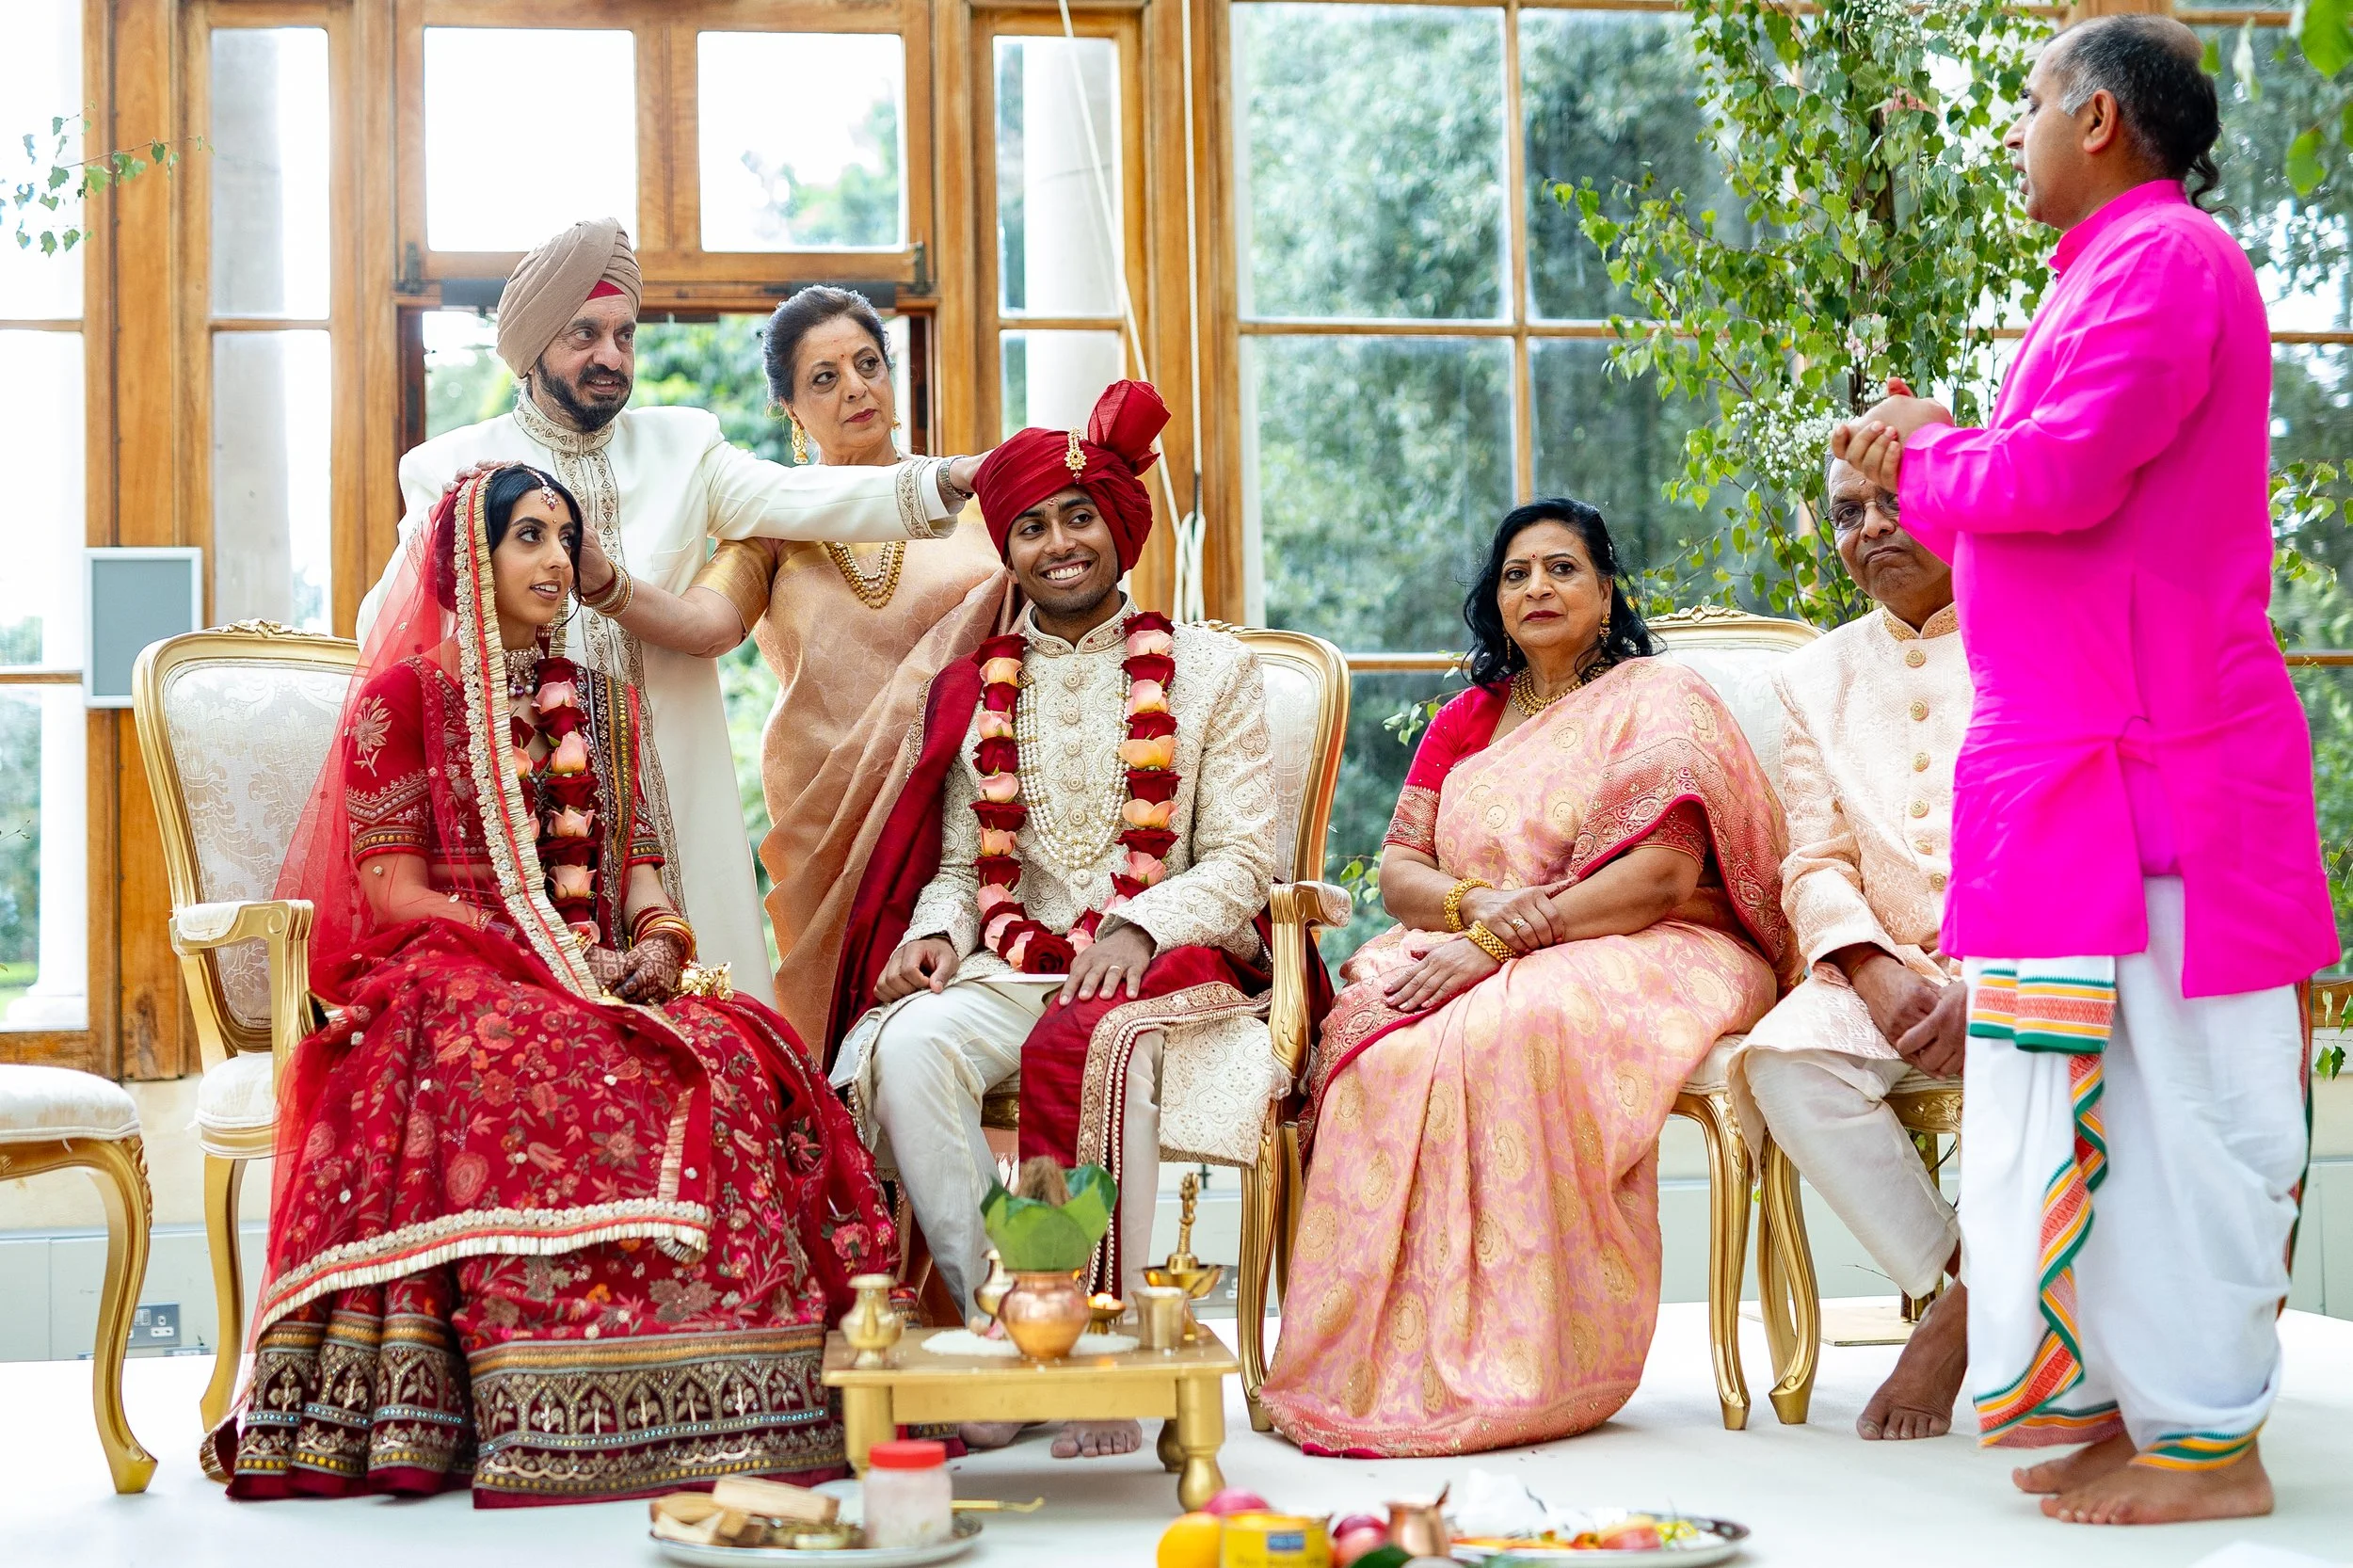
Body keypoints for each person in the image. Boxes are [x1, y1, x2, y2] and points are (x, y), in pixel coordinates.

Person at [1833, 14, 2334, 1525]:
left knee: (2188, 1112)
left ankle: (2215, 1443)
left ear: (2102, 117)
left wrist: (1913, 458)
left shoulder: (2169, 262)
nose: (2017, 127)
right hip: (2081, 781)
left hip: (2162, 771)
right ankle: (2145, 1410)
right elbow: (2052, 463)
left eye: (2036, 100)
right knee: (2093, 1108)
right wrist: (1942, 436)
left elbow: (2058, 473)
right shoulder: (2112, 272)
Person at [207, 465, 896, 1505]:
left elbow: (641, 876)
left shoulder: (606, 706)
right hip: (449, 963)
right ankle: (518, 1391)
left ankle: (742, 1392)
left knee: (735, 1049)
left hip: (594, 959)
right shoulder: (404, 697)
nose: (553, 560)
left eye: (564, 539)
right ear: (467, 560)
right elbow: (391, 893)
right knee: (536, 1049)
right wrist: (528, 944)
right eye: (528, 536)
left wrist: (659, 943)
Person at [1257, 499, 1793, 1458]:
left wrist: (1510, 940)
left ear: (1604, 588)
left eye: (1560, 568)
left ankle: (1528, 1359)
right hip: (1485, 931)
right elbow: (1397, 871)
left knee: (1506, 1031)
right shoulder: (1471, 715)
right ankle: (1373, 1363)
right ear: (1493, 600)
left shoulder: (1655, 699)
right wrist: (1474, 911)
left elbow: (1664, 876)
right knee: (1379, 1048)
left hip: (1651, 941)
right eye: (1515, 574)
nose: (1537, 588)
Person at [828, 380, 1279, 1461]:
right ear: (1009, 551)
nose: (1059, 543)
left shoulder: (1214, 672)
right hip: (1011, 961)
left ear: (1119, 525)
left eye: (1079, 515)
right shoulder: (976, 688)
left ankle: (1089, 1350)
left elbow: (1244, 859)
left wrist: (1143, 925)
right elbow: (952, 866)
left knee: (1105, 1044)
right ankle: (1013, 1316)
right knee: (913, 1044)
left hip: (1162, 968)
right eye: (1030, 526)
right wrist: (938, 933)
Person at [358, 220, 987, 990]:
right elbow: (385, 632)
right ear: (530, 348)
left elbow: (801, 493)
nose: (610, 357)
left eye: (625, 336)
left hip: (674, 792)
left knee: (717, 1015)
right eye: (584, 334)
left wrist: (952, 476)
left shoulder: (686, 448)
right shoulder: (452, 469)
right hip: (521, 807)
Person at [579, 286, 1010, 1042]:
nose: (854, 387)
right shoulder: (771, 528)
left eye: (867, 363)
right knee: (852, 1043)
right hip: (831, 819)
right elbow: (704, 626)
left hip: (975, 800)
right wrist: (601, 580)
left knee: (958, 1027)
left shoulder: (972, 504)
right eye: (824, 377)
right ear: (789, 410)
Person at [1729, 454, 1974, 1442]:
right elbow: (1814, 856)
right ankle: (1965, 1286)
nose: (1869, 527)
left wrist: (1992, 969)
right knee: (1786, 1059)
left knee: (2040, 1060)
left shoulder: (2038, 635)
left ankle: (1950, 1330)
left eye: (1893, 503)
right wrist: (1866, 965)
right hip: (1884, 959)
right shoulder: (1809, 675)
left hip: (2024, 948)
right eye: (1846, 512)